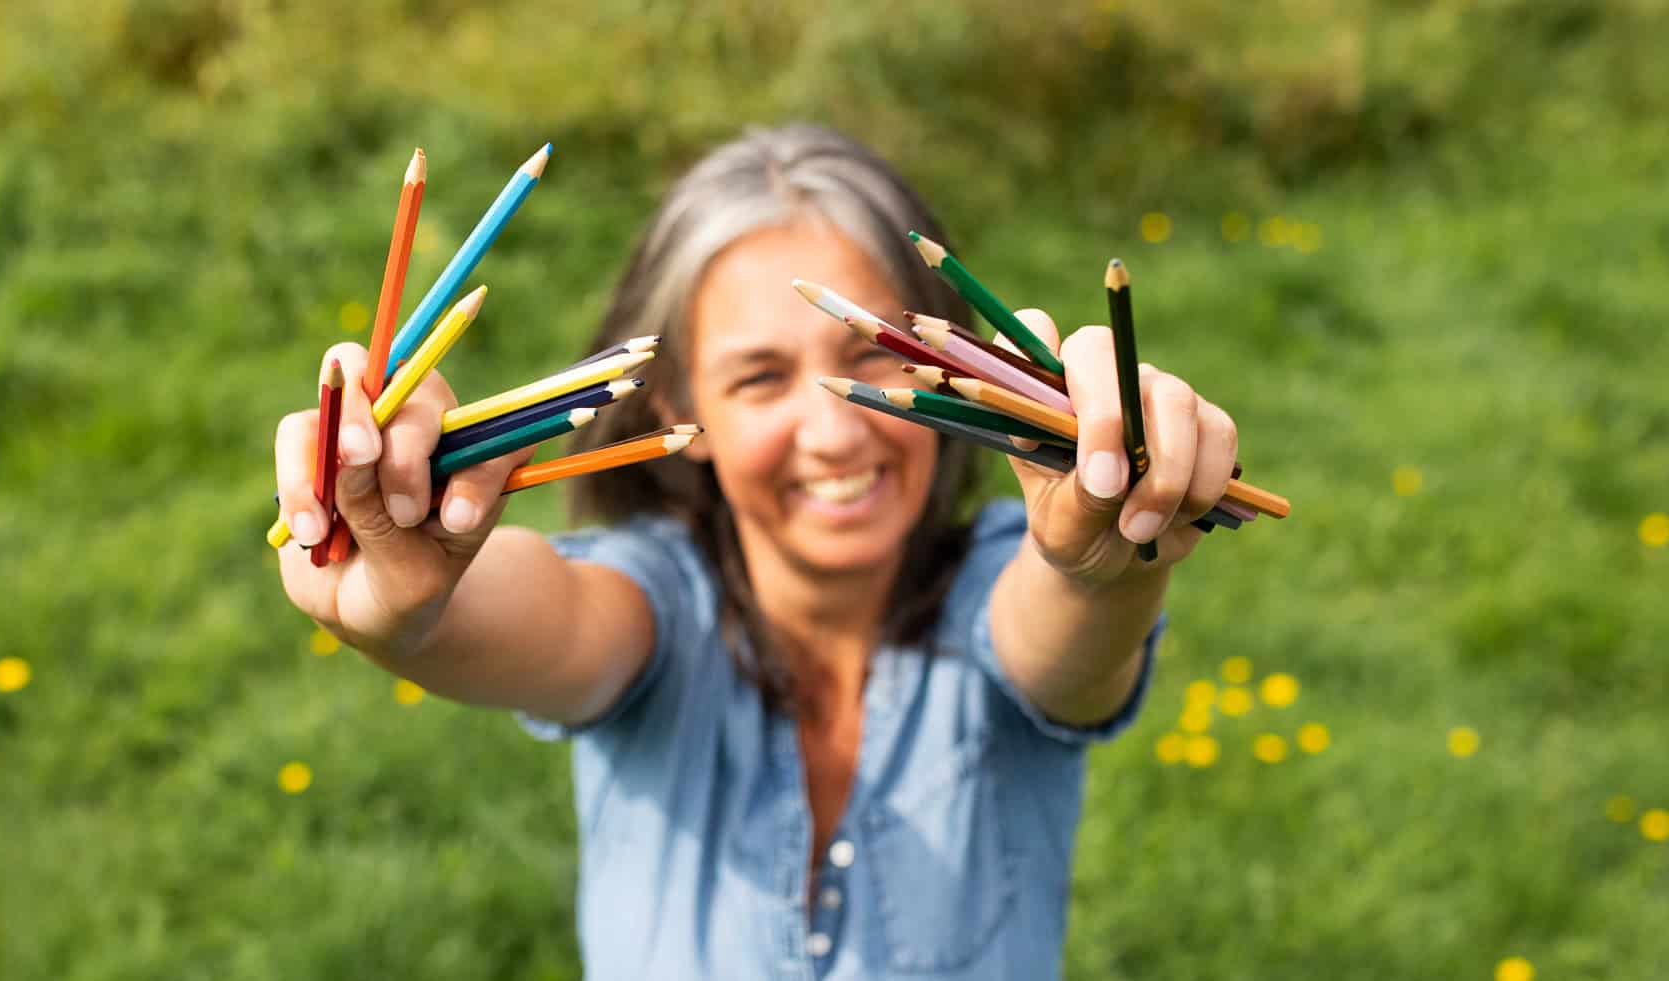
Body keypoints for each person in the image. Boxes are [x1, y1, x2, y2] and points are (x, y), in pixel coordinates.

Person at [271, 124, 1238, 980]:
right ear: (679, 411)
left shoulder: (1001, 583)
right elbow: (529, 611)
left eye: (870, 354)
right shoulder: (652, 600)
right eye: (761, 377)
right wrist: (412, 605)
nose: (832, 432)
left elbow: (1066, 627)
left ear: (954, 370)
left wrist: (1093, 562)